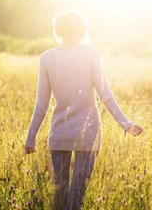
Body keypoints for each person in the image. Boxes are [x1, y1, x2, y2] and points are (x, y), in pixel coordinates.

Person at [24, 11, 144, 210]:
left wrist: (31, 137)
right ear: (81, 29)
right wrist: (126, 124)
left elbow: (41, 105)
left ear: (58, 30)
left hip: (59, 134)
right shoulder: (89, 53)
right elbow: (105, 94)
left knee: (60, 197)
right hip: (88, 135)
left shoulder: (46, 58)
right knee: (76, 195)